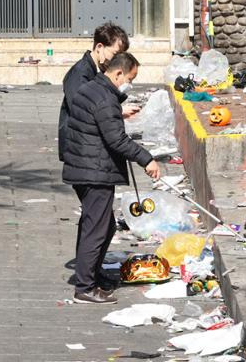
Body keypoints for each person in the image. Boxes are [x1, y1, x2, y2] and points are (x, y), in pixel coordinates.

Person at [62, 52, 161, 304]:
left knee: (101, 226)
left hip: (84, 167)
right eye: (130, 78)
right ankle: (85, 287)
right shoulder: (105, 98)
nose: (129, 83)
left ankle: (92, 276)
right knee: (96, 229)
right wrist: (146, 159)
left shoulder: (94, 89)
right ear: (118, 73)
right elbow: (116, 140)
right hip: (94, 171)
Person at [58, 22, 139, 163]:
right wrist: (117, 111)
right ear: (99, 47)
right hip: (79, 147)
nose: (118, 61)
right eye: (115, 54)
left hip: (90, 146)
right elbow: (82, 109)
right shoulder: (80, 73)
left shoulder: (100, 71)